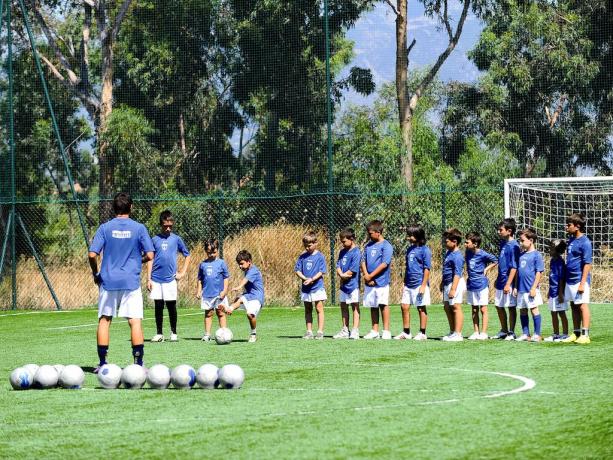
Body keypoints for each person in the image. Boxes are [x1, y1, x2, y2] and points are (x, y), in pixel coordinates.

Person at [88, 192, 154, 371]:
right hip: (130, 281)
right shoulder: (139, 228)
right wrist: (136, 261)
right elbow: (150, 255)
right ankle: (138, 364)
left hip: (108, 280)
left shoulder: (104, 228)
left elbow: (92, 254)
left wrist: (96, 274)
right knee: (135, 321)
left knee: (104, 320)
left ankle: (102, 364)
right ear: (130, 207)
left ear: (113, 208)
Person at [147, 210, 191, 342]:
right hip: (156, 279)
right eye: (165, 225)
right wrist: (148, 278)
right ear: (161, 224)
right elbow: (150, 259)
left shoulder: (176, 239)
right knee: (158, 306)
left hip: (170, 279)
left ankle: (174, 332)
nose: (168, 228)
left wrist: (182, 272)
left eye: (170, 226)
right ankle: (159, 333)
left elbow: (187, 255)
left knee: (171, 306)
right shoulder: (154, 240)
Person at [394, 224, 431, 341]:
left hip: (419, 284)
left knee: (420, 307)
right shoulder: (409, 249)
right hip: (408, 284)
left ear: (418, 236)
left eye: (410, 235)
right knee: (404, 306)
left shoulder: (425, 250)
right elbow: (408, 267)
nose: (408, 238)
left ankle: (422, 333)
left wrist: (423, 286)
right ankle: (406, 332)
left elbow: (427, 269)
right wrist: (404, 282)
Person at [561, 213, 592, 344]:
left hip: (580, 280)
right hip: (570, 279)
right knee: (573, 305)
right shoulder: (571, 240)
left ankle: (585, 335)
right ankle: (576, 332)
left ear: (577, 226)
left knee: (582, 306)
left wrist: (582, 283)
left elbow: (587, 264)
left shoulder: (585, 242)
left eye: (569, 225)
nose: (566, 227)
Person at [361, 220, 393, 340]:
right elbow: (363, 260)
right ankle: (374, 330)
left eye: (370, 233)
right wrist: (366, 275)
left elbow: (384, 263)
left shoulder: (386, 246)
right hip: (369, 282)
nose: (368, 236)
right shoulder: (368, 246)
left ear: (378, 232)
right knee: (372, 305)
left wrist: (371, 275)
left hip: (381, 281)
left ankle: (386, 331)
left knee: (383, 305)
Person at [224, 250, 265, 343]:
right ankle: (229, 308)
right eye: (239, 264)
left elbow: (245, 280)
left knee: (250, 315)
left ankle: (253, 334)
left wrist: (239, 286)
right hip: (249, 295)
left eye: (242, 263)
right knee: (239, 299)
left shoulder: (253, 270)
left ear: (249, 262)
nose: (240, 266)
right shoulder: (247, 270)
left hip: (257, 298)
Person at [464, 231, 498, 340]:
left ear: (475, 244)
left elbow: (495, 260)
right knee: (474, 309)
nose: (465, 244)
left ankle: (483, 332)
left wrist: (486, 269)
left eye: (467, 242)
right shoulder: (467, 252)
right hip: (471, 284)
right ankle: (476, 332)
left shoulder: (482, 253)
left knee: (483, 308)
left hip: (482, 284)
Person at [294, 232, 328, 339]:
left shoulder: (320, 256)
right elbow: (297, 270)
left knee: (319, 308)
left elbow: (322, 271)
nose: (307, 248)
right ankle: (309, 331)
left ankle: (320, 332)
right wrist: (305, 279)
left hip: (317, 287)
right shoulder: (302, 256)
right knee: (308, 309)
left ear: (315, 243)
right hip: (306, 288)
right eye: (305, 246)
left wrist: (312, 279)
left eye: (309, 246)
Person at [492, 218, 520, 340]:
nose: (498, 232)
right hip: (501, 281)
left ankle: (511, 332)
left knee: (511, 307)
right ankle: (503, 330)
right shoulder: (503, 243)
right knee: (498, 305)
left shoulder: (514, 246)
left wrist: (509, 284)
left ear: (509, 231)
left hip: (509, 282)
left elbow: (514, 267)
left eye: (501, 230)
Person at [196, 239, 229, 342]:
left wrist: (224, 291)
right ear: (206, 251)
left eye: (214, 252)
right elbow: (200, 279)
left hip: (219, 294)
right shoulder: (203, 264)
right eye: (209, 252)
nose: (211, 254)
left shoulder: (221, 263)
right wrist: (199, 291)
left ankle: (224, 333)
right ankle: (207, 334)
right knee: (208, 313)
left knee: (220, 312)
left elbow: (226, 278)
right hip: (207, 294)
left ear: (217, 251)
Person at [515, 228, 544, 342]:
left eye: (522, 240)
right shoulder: (521, 255)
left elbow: (539, 272)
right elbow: (518, 272)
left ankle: (537, 334)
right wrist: (516, 287)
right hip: (521, 289)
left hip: (530, 289)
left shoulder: (536, 255)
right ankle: (525, 333)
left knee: (534, 309)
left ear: (531, 240)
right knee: (522, 310)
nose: (520, 243)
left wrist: (533, 288)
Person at [333, 228, 361, 340]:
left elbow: (353, 270)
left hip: (353, 285)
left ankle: (355, 330)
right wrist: (341, 274)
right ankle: (345, 329)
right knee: (343, 306)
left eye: (344, 241)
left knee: (355, 306)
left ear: (351, 239)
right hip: (343, 285)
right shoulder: (342, 252)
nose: (342, 244)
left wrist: (345, 275)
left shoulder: (356, 252)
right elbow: (338, 265)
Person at [441, 228, 465, 341]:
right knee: (447, 307)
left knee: (455, 307)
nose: (445, 243)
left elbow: (457, 273)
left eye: (447, 241)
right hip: (447, 283)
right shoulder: (448, 253)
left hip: (455, 284)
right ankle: (452, 331)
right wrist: (442, 282)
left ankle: (458, 333)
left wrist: (453, 289)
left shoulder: (457, 256)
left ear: (454, 241)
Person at [544, 239, 569, 342]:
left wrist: (560, 293)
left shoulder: (560, 261)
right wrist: (549, 290)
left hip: (559, 293)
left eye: (551, 248)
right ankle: (556, 334)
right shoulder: (552, 260)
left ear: (557, 250)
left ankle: (565, 334)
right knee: (553, 313)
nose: (549, 250)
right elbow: (552, 277)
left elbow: (561, 278)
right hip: (553, 291)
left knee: (561, 313)